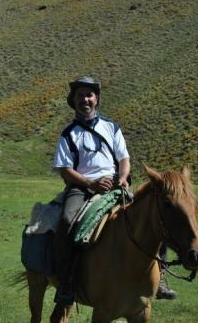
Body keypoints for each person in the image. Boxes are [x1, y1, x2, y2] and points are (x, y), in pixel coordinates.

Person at [52, 76, 131, 305]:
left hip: (116, 183)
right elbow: (65, 170)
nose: (84, 100)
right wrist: (90, 184)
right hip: (82, 188)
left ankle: (160, 276)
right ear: (73, 100)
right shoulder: (68, 134)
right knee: (67, 220)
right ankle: (66, 284)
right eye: (80, 96)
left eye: (89, 95)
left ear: (96, 99)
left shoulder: (111, 127)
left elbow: (124, 158)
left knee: (154, 211)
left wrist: (124, 178)